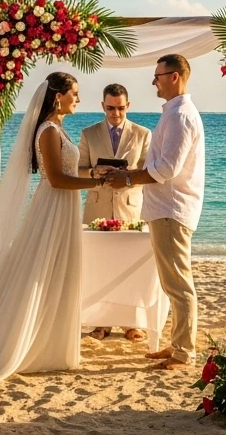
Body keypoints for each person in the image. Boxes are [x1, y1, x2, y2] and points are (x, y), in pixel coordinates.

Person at [0, 72, 110, 381]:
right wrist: (97, 181)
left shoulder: (58, 129)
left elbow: (67, 170)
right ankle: (33, 343)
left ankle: (49, 342)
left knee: (57, 272)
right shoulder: (48, 130)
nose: (78, 99)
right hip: (53, 205)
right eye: (74, 93)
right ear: (57, 96)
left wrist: (94, 171)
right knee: (41, 271)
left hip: (63, 205)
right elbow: (57, 179)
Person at [106, 53, 205, 371]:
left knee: (178, 283)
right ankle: (178, 345)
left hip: (171, 209)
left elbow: (167, 169)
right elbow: (159, 165)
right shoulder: (174, 113)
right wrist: (134, 172)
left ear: (174, 76)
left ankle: (183, 352)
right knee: (171, 282)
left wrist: (129, 178)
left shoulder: (180, 116)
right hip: (165, 208)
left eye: (158, 75)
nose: (154, 81)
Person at [77, 83, 151, 341]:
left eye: (120, 108)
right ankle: (101, 322)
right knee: (98, 266)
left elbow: (149, 174)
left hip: (130, 208)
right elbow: (77, 170)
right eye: (110, 108)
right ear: (102, 106)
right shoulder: (89, 133)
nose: (116, 114)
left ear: (128, 106)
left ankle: (132, 323)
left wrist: (129, 174)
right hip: (97, 205)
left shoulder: (143, 134)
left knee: (130, 267)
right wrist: (93, 173)